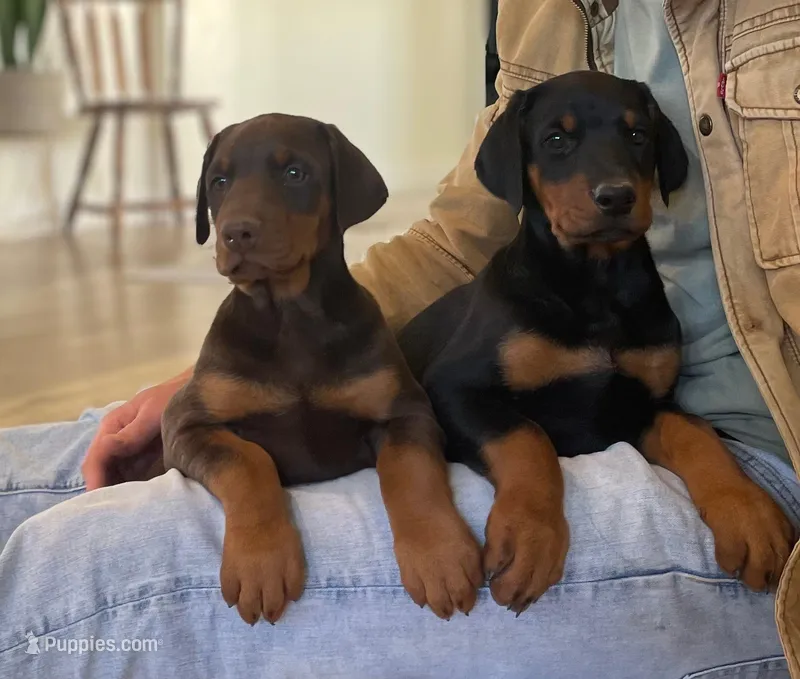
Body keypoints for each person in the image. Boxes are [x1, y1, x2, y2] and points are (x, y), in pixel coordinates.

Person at [2, 0, 800, 676]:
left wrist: (700, 472)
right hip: (429, 398)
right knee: (28, 476)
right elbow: (460, 242)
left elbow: (630, 409)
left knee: (69, 581)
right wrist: (215, 377)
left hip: (757, 451)